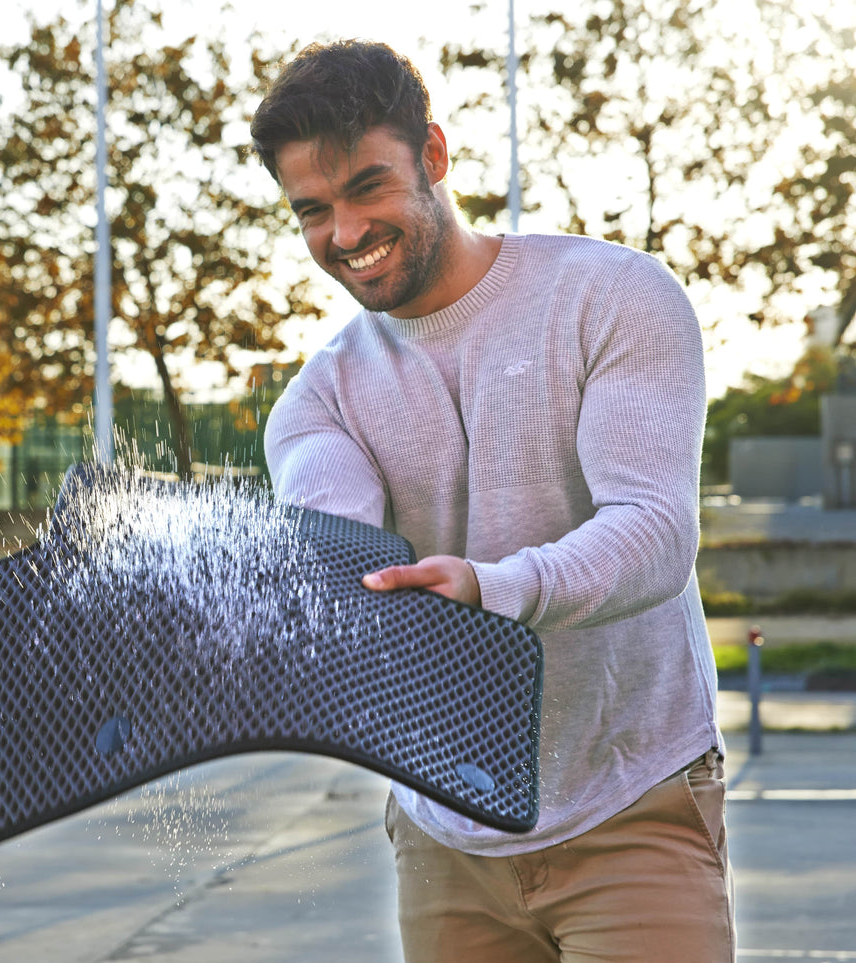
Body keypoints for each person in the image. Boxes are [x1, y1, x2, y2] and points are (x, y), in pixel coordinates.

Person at [250, 41, 729, 962]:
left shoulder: (611, 296)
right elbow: (336, 552)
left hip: (630, 800)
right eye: (311, 210)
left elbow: (655, 531)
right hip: (444, 832)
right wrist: (311, 599)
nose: (343, 234)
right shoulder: (318, 398)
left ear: (432, 154)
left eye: (366, 188)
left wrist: (487, 587)